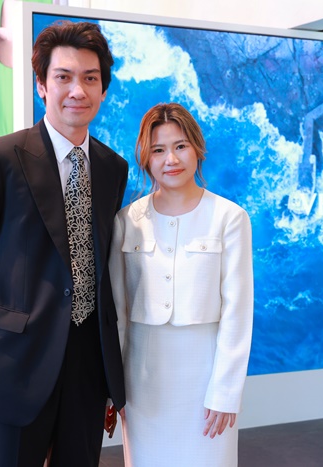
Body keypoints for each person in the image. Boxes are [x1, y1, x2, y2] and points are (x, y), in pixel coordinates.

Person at [0, 20, 128, 467]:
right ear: (42, 86)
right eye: (63, 77)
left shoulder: (112, 168)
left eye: (90, 78)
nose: (78, 90)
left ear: (103, 89)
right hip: (15, 358)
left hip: (88, 361)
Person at [109, 103, 254, 466]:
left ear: (197, 148)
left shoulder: (230, 218)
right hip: (141, 382)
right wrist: (113, 389)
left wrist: (225, 392)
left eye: (180, 146)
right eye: (158, 150)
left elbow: (237, 314)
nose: (171, 159)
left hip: (204, 381)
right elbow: (117, 315)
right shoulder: (127, 221)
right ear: (146, 158)